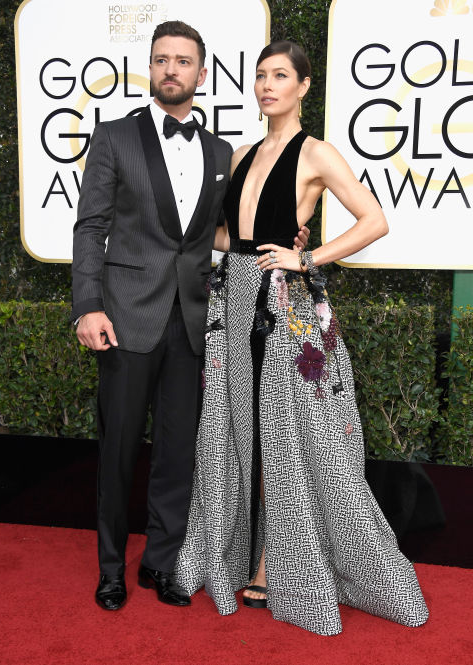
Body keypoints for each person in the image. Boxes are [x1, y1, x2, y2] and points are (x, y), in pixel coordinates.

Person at [174, 40, 429, 635]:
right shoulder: (240, 155)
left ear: (303, 86)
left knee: (285, 434)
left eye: (281, 75)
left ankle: (276, 560)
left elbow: (375, 220)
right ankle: (237, 550)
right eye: (261, 75)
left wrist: (306, 257)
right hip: (233, 300)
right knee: (237, 431)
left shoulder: (316, 152)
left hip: (283, 306)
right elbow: (229, 237)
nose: (268, 85)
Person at [71, 22, 309, 612]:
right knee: (118, 449)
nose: (170, 69)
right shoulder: (114, 137)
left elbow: (222, 234)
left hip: (194, 319)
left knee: (178, 452)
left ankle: (160, 560)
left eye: (182, 61)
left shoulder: (220, 152)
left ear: (201, 74)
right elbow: (90, 227)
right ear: (150, 68)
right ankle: (110, 569)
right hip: (124, 317)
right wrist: (88, 307)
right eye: (161, 60)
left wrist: (289, 239)